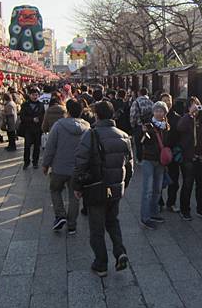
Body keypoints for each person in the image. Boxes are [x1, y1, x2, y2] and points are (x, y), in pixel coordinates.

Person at [73, 101, 134, 277]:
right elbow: (129, 166)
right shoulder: (123, 135)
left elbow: (80, 162)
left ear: (97, 115)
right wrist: (124, 184)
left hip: (96, 188)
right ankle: (120, 251)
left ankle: (101, 264)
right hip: (115, 188)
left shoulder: (90, 135)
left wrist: (77, 185)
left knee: (97, 227)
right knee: (113, 221)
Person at [42, 99, 90, 233]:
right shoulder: (87, 127)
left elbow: (50, 147)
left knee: (55, 189)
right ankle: (72, 225)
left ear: (67, 111)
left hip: (59, 167)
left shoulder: (58, 125)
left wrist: (46, 164)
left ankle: (60, 215)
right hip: (77, 169)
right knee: (74, 196)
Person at [178, 97, 202, 221]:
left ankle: (201, 209)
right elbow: (180, 127)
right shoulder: (185, 119)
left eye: (197, 105)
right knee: (187, 185)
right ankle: (184, 210)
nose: (196, 107)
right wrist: (189, 114)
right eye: (192, 105)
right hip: (188, 158)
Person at [139, 101, 171, 230]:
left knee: (157, 189)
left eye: (161, 110)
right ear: (153, 112)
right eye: (156, 110)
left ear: (165, 113)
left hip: (161, 161)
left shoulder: (167, 127)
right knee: (148, 190)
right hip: (149, 160)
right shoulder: (148, 125)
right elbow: (142, 141)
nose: (158, 113)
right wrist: (143, 134)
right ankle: (145, 218)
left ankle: (154, 213)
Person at [160, 93, 182, 212]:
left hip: (173, 152)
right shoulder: (156, 117)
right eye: (164, 100)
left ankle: (171, 203)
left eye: (169, 100)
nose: (167, 102)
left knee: (174, 180)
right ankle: (159, 202)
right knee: (158, 179)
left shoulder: (177, 117)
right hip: (159, 153)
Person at [19, 87, 45, 169]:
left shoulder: (41, 105)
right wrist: (32, 119)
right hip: (28, 129)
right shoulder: (24, 105)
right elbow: (22, 117)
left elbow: (43, 116)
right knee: (27, 146)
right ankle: (26, 162)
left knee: (37, 147)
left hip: (38, 129)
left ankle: (35, 162)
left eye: (36, 95)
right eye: (33, 95)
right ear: (29, 95)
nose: (35, 97)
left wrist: (40, 120)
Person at [129, 88, 154, 162]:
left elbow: (133, 115)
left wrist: (132, 125)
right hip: (149, 126)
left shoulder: (136, 102)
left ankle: (140, 159)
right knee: (148, 141)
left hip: (139, 126)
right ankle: (148, 157)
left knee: (139, 143)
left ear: (139, 93)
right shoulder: (151, 102)